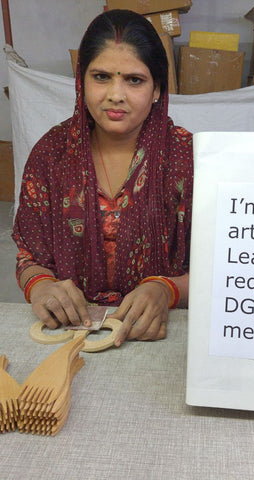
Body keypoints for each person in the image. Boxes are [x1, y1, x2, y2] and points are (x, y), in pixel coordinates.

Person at [12, 9, 193, 346]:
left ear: (157, 89)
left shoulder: (186, 159)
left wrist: (165, 289)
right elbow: (30, 257)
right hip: (68, 334)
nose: (115, 94)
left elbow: (221, 268)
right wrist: (41, 287)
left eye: (134, 80)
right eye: (101, 77)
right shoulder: (51, 155)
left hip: (158, 335)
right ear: (82, 82)